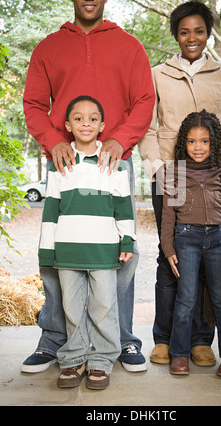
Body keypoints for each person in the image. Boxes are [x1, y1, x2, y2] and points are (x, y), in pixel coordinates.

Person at [22, 0, 155, 374]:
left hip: (114, 164)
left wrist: (120, 138)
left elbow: (144, 101)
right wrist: (53, 141)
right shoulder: (48, 47)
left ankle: (122, 340)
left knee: (122, 254)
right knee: (59, 252)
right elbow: (32, 105)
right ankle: (55, 340)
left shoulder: (129, 45)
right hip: (65, 166)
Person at [138, 0, 221, 366]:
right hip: (170, 180)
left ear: (208, 33)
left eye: (199, 31)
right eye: (184, 31)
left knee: (209, 261)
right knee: (169, 254)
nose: (192, 38)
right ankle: (165, 338)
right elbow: (148, 128)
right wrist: (158, 169)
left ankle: (202, 340)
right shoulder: (158, 75)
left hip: (211, 181)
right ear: (175, 34)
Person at [38, 95, 135, 390]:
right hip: (68, 249)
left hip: (104, 250)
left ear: (102, 125)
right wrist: (47, 248)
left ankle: (102, 360)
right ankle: (74, 358)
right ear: (67, 125)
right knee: (71, 305)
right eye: (78, 118)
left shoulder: (113, 165)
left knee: (104, 304)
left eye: (93, 118)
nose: (86, 123)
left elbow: (124, 207)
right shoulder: (59, 166)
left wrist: (127, 241)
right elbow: (51, 210)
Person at [161, 110, 221, 377]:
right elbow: (167, 217)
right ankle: (180, 354)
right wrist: (169, 249)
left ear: (215, 142)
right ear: (183, 143)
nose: (198, 147)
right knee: (185, 298)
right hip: (186, 240)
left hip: (218, 241)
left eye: (205, 141)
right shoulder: (175, 173)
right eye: (192, 141)